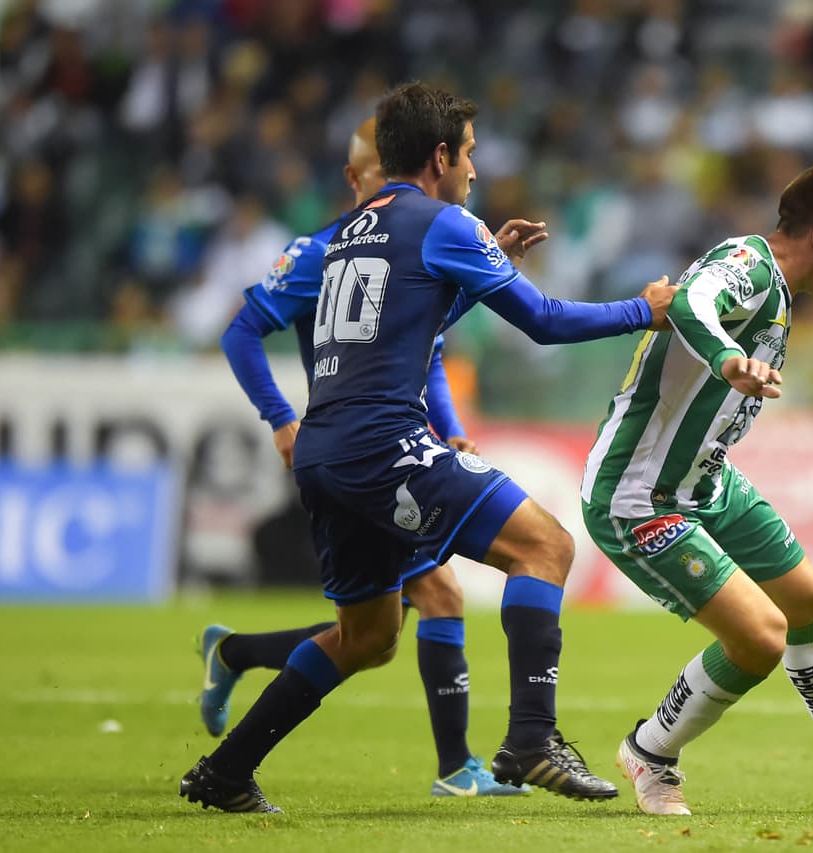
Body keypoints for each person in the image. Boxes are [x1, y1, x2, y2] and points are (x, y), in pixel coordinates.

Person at [178, 82, 674, 813]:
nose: (475, 169)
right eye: (469, 154)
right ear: (440, 155)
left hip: (323, 451)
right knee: (546, 547)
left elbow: (406, 316)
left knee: (368, 633)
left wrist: (481, 266)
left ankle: (224, 771)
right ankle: (532, 738)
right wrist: (645, 310)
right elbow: (542, 320)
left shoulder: (344, 232)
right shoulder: (446, 222)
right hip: (386, 443)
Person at [201, 117, 547, 798]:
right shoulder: (321, 251)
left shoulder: (417, 238)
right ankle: (459, 769)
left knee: (373, 633)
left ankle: (236, 665)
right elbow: (241, 331)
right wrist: (280, 418)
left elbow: (429, 352)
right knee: (437, 596)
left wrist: (447, 425)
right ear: (357, 178)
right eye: (367, 173)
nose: (376, 184)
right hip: (366, 448)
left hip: (396, 439)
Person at [580, 157, 813, 815]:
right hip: (639, 495)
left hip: (706, 480)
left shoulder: (779, 292)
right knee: (758, 636)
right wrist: (728, 357)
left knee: (807, 597)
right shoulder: (749, 265)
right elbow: (696, 299)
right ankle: (650, 751)